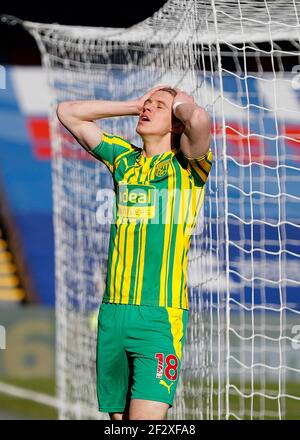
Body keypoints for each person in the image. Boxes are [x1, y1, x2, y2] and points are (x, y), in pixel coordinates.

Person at [56, 85, 212, 420]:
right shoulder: (122, 159)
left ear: (175, 123)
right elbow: (68, 111)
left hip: (159, 317)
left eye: (159, 106)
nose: (149, 108)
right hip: (112, 315)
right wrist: (133, 105)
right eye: (148, 103)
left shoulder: (188, 168)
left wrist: (180, 105)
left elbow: (198, 118)